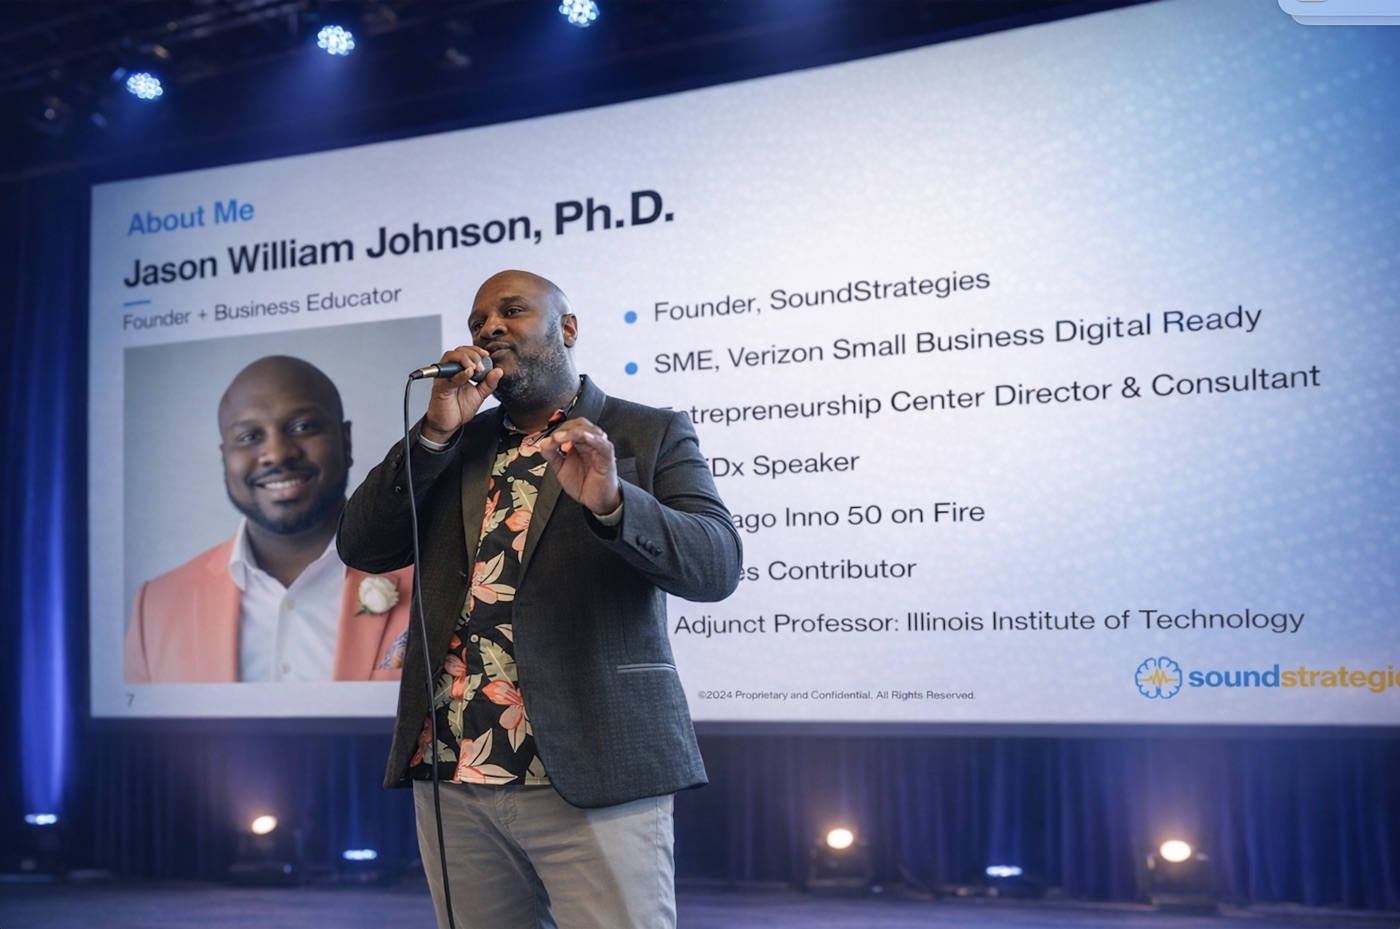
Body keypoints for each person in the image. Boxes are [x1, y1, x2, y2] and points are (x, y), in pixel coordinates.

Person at [338, 270, 742, 929]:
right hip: (454, 769)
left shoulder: (648, 432)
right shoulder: (453, 443)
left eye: (513, 311)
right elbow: (361, 545)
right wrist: (434, 435)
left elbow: (717, 564)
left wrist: (614, 502)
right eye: (476, 323)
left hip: (593, 761)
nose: (488, 327)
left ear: (569, 329)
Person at [125, 355, 413, 683]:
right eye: (249, 437)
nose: (277, 454)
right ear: (225, 458)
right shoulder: (156, 606)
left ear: (345, 442)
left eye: (303, 427)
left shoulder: (429, 578)